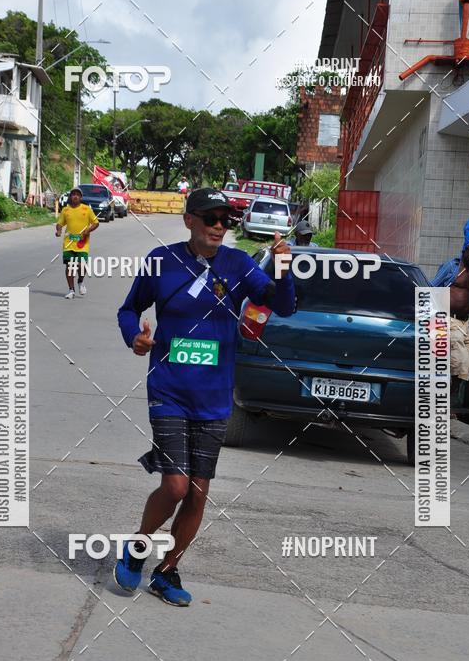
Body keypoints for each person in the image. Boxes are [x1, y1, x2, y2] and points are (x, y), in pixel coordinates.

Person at [115, 187, 295, 606]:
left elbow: (281, 306)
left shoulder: (239, 264)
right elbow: (128, 309)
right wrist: (135, 337)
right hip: (169, 390)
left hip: (214, 396)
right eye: (210, 218)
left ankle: (167, 571)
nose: (219, 226)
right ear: (189, 220)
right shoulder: (161, 261)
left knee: (198, 492)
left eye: (226, 220)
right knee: (176, 486)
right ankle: (139, 546)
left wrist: (285, 270)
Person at [431, 235, 469, 404]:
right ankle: (441, 404)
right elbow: (432, 288)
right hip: (447, 320)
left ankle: (445, 402)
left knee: (465, 368)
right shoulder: (452, 267)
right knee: (454, 364)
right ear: (468, 250)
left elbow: (467, 300)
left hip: (465, 323)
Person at [55, 187, 100, 299]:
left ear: (80, 197)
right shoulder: (66, 210)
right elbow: (60, 223)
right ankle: (71, 290)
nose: (75, 196)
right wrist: (59, 230)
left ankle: (80, 281)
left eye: (77, 194)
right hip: (68, 243)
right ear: (70, 197)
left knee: (81, 265)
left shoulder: (86, 209)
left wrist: (88, 230)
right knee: (70, 266)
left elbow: (96, 223)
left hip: (82, 243)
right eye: (73, 194)